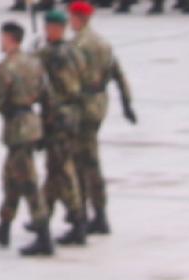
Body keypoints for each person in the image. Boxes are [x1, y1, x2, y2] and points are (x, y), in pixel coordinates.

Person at [0, 22, 50, 254]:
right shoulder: (34, 62)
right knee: (11, 179)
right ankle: (4, 225)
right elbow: (45, 93)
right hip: (31, 123)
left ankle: (43, 235)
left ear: (9, 39)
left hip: (17, 129)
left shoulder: (5, 67)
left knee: (28, 181)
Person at [67, 1, 135, 236]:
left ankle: (84, 215)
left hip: (82, 105)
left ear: (79, 18)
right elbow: (118, 73)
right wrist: (127, 104)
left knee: (81, 162)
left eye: (72, 17)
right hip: (99, 104)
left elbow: (68, 78)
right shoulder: (103, 43)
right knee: (92, 159)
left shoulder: (77, 45)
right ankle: (99, 213)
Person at [37, 10, 88, 248]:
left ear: (56, 28)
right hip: (74, 114)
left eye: (48, 27)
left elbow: (36, 71)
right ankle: (43, 216)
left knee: (62, 169)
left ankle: (78, 219)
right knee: (55, 168)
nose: (46, 31)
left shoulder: (53, 53)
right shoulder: (74, 50)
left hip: (58, 117)